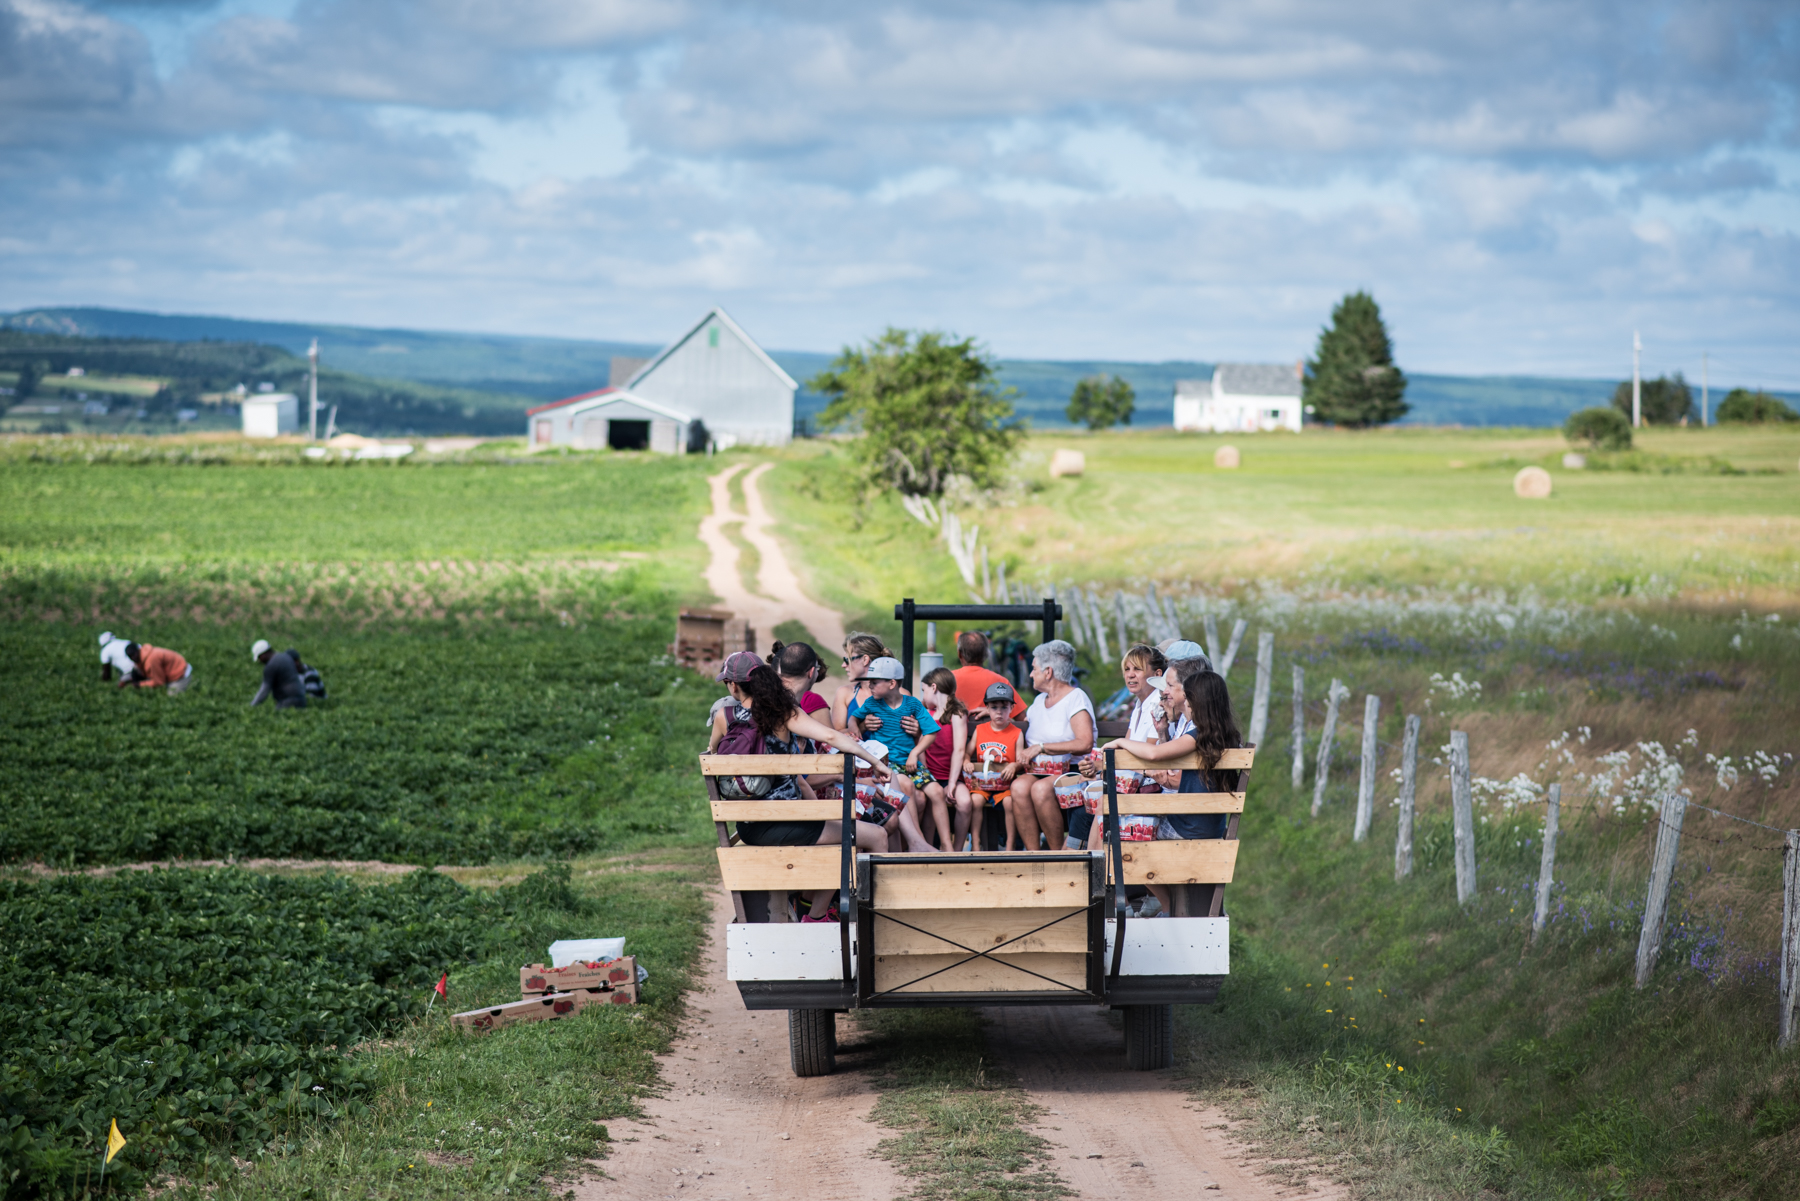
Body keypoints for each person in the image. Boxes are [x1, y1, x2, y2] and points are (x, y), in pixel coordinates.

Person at [709, 651, 891, 920]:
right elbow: (831, 735)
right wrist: (876, 762)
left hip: (748, 828)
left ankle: (814, 914)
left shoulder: (724, 716)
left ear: (733, 685)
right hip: (786, 822)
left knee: (839, 838)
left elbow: (712, 756)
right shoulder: (783, 714)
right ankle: (873, 921)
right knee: (876, 835)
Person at [1102, 665, 1241, 916]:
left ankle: (1166, 906)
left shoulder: (1197, 735)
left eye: (1186, 698)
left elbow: (1155, 754)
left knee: (1122, 836)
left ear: (1197, 702)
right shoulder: (1224, 735)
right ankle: (1165, 904)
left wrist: (1121, 741)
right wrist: (1163, 732)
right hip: (1207, 822)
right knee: (1132, 825)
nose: (1183, 704)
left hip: (1189, 826)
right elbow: (1183, 775)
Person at [1072, 643, 1168, 848]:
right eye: (1127, 669)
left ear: (1157, 674)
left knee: (1100, 807)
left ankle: (1091, 872)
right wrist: (1096, 768)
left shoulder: (1158, 705)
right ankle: (1077, 866)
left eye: (1137, 669)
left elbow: (1148, 755)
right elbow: (1123, 754)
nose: (1130, 675)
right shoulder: (1140, 705)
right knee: (1083, 805)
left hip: (1151, 787)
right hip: (1134, 783)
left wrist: (1103, 769)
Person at [1006, 640, 1095, 852]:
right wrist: (993, 714)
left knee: (1040, 790)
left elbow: (1085, 743)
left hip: (1073, 770)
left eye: (1034, 668)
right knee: (1018, 787)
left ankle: (1056, 855)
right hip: (1040, 770)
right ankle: (1033, 855)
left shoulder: (1076, 698)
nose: (1030, 674)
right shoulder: (1039, 701)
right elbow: (1023, 723)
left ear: (1048, 672)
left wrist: (1042, 747)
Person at [847, 656, 941, 851]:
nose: (870, 686)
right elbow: (853, 719)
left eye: (874, 682)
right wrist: (855, 729)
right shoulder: (872, 704)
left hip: (909, 761)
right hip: (887, 765)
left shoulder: (912, 704)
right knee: (909, 791)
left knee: (937, 792)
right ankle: (916, 844)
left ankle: (944, 846)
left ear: (892, 683)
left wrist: (915, 753)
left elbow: (931, 731)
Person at [913, 666, 972, 851]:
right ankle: (931, 848)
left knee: (964, 802)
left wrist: (952, 783)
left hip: (951, 775)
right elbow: (921, 748)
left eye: (924, 691)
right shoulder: (925, 714)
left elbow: (959, 749)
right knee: (931, 800)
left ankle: (957, 849)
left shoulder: (957, 713)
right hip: (930, 775)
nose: (923, 697)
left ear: (933, 687)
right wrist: (927, 776)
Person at [964, 681, 1025, 850]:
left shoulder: (1016, 733)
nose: (999, 712)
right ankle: (975, 843)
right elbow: (966, 752)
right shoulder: (980, 730)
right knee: (975, 801)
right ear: (987, 708)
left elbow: (1021, 760)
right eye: (994, 707)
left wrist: (1014, 766)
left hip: (1004, 784)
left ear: (1011, 708)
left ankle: (1010, 844)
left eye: (1004, 707)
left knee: (1009, 802)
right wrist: (966, 762)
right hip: (982, 782)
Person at [950, 631, 1027, 722]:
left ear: (959, 653)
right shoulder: (1001, 682)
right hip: (991, 735)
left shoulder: (947, 680)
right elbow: (1023, 720)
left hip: (955, 735)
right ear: (986, 655)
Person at [250, 639, 307, 709]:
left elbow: (264, 690)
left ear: (263, 654)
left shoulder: (271, 665)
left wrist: (252, 706)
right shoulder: (285, 657)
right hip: (301, 699)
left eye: (259, 657)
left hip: (287, 701)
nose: (259, 661)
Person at [119, 640, 194, 694]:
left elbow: (159, 682)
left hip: (180, 674)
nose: (133, 658)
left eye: (133, 655)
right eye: (130, 657)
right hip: (170, 672)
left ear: (138, 650)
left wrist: (139, 685)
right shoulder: (141, 657)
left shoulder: (152, 659)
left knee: (172, 697)